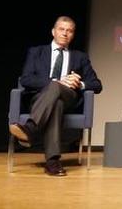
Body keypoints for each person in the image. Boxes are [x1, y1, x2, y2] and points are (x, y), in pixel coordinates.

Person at [9, 16, 103, 177]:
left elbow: (97, 84)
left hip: (69, 97)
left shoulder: (80, 57)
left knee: (58, 94)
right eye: (61, 29)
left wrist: (78, 84)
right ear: (53, 32)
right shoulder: (37, 52)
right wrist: (56, 82)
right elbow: (26, 79)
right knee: (56, 102)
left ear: (73, 35)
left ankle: (31, 129)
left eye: (70, 31)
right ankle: (52, 162)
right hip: (39, 99)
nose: (65, 33)